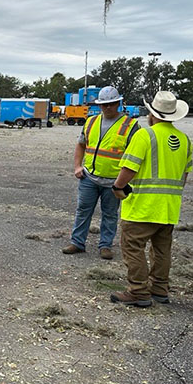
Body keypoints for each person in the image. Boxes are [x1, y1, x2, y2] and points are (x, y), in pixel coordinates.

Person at [110, 91, 192, 307]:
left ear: (151, 113)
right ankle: (159, 289)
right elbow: (184, 176)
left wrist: (118, 187)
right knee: (162, 250)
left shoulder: (145, 136)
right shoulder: (185, 140)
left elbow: (129, 167)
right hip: (169, 209)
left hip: (142, 207)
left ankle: (138, 291)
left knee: (133, 247)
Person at [62, 86, 140, 259]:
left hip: (114, 181)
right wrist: (77, 166)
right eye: (104, 105)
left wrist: (125, 181)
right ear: (99, 105)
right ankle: (77, 242)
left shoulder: (131, 125)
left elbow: (135, 155)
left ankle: (105, 245)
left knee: (110, 214)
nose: (108, 108)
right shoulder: (91, 122)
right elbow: (81, 145)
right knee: (83, 210)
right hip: (89, 177)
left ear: (118, 103)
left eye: (111, 104)